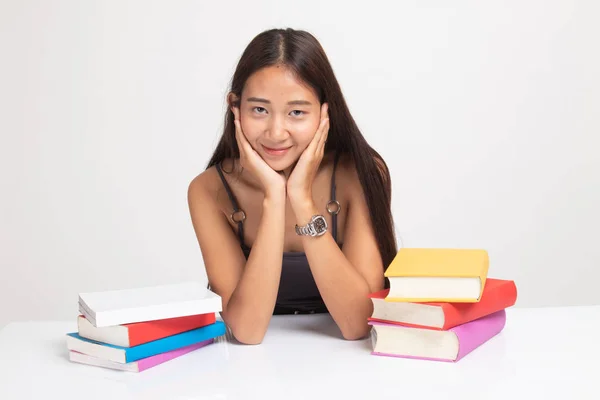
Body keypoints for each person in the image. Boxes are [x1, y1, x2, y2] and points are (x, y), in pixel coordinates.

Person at [187, 28, 397, 345]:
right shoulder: (209, 191)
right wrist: (274, 196)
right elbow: (247, 331)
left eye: (297, 112)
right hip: (249, 371)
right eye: (259, 109)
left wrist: (300, 199)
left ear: (326, 112)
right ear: (236, 109)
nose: (276, 132)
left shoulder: (361, 174)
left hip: (347, 366)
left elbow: (357, 324)